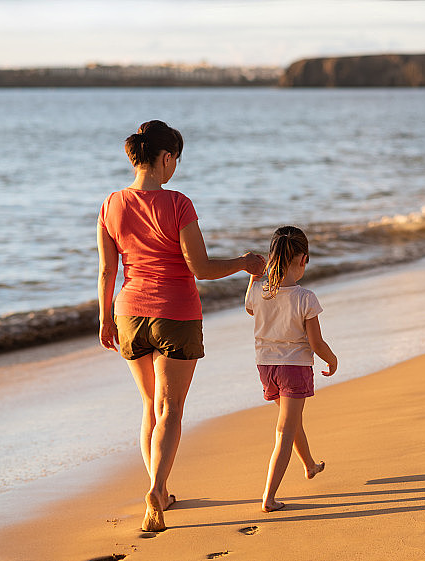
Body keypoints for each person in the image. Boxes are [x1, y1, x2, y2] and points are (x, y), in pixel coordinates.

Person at [97, 120, 265, 532]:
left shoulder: (110, 204)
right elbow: (201, 268)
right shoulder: (178, 203)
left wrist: (104, 318)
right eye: (176, 160)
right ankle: (157, 487)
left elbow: (106, 271)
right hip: (176, 313)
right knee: (171, 410)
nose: (175, 169)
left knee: (148, 408)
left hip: (129, 313)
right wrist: (244, 263)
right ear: (165, 157)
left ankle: (162, 489)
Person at [244, 225, 338, 513]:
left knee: (291, 421)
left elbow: (250, 308)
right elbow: (316, 342)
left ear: (272, 257)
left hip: (266, 367)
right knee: (285, 430)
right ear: (303, 259)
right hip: (294, 368)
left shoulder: (260, 291)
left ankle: (309, 465)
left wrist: (253, 277)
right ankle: (269, 497)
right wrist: (332, 359)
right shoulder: (305, 297)